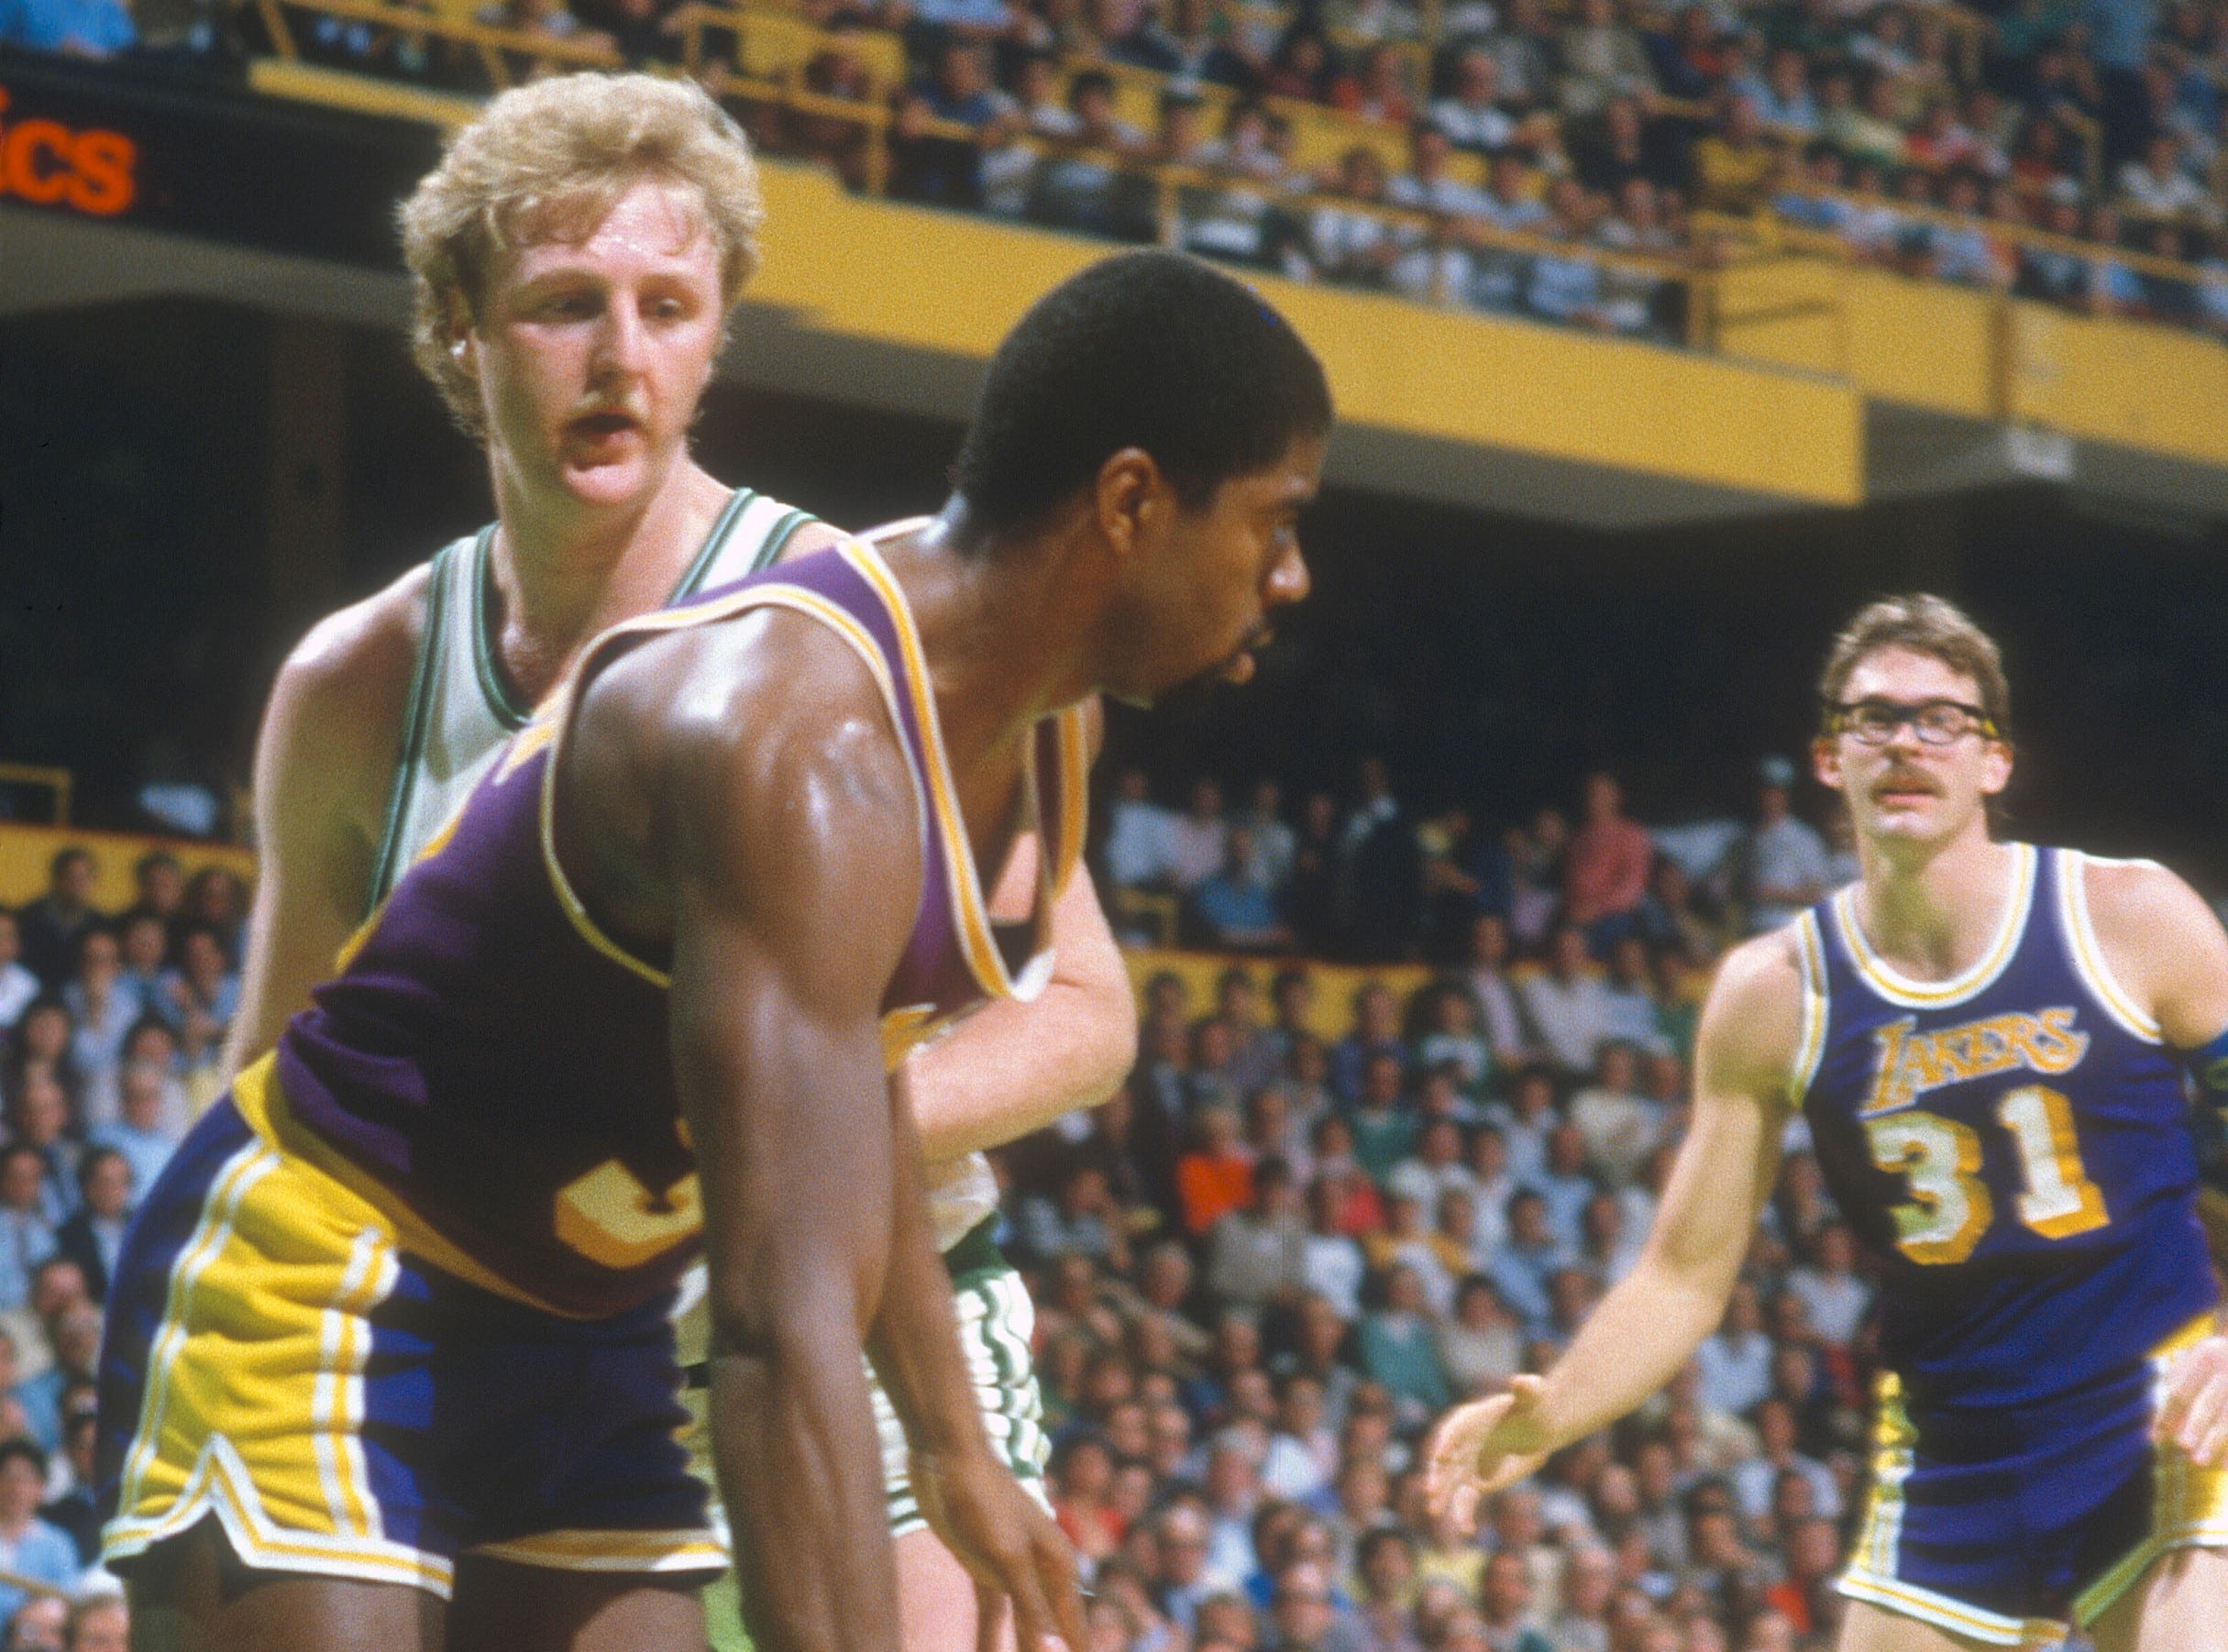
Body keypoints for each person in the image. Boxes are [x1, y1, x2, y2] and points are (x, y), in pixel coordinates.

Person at [96, 247, 1329, 1649]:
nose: (1291, 576)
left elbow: (855, 1085)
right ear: (1128, 501)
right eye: (1274, 521)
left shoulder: (1040, 716)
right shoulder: (795, 744)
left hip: (582, 1326)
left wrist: (948, 1442)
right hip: (345, 1274)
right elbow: (774, 1325)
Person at [204, 72, 1145, 1652]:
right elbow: (268, 1096)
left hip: (861, 1324)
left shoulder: (858, 628)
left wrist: (791, 1115)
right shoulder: (359, 682)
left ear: (718, 339)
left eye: (667, 306)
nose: (620, 357)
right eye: (567, 305)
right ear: (458, 329)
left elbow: (1081, 1010)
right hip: (538, 1347)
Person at [1428, 594, 2228, 1652]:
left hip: (2160, 1408)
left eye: (1941, 718)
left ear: (1995, 762)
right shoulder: (1773, 992)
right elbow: (1683, 1274)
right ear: (1827, 759)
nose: (1905, 740)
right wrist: (1554, 1407)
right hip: (1956, 1454)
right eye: (1874, 718)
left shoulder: (2129, 915)